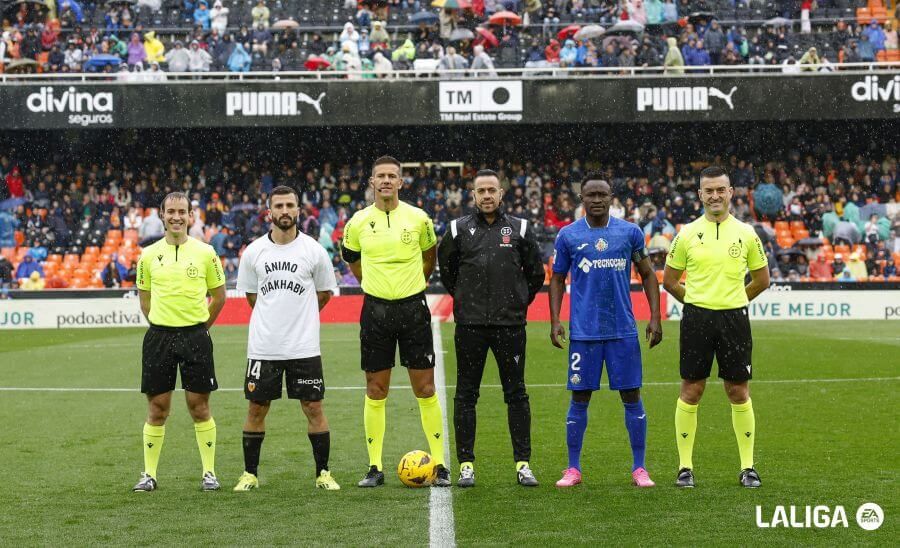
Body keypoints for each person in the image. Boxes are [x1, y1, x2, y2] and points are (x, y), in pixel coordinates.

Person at [340, 156, 450, 488]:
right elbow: (352, 259)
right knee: (376, 389)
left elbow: (429, 257)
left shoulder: (418, 218)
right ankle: (374, 467)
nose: (386, 181)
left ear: (401, 182)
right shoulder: (357, 222)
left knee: (426, 388)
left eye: (392, 176)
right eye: (380, 176)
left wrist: (414, 283)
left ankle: (441, 464)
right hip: (375, 312)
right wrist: (372, 285)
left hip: (413, 309)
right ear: (372, 183)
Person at [549, 174, 663, 488]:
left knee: (631, 395)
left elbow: (648, 275)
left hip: (622, 331)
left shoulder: (630, 233)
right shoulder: (568, 236)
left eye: (602, 194)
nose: (597, 200)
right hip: (583, 333)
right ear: (581, 199)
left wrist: (655, 317)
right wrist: (555, 320)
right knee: (580, 397)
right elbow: (557, 279)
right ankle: (573, 468)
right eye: (591, 195)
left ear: (611, 196)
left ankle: (639, 468)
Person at [662, 166, 770, 489]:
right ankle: (685, 468)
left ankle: (748, 467)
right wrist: (695, 301)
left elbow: (762, 280)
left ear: (731, 192)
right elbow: (668, 281)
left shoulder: (747, 233)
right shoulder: (686, 234)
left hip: (734, 319)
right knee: (691, 390)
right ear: (700, 195)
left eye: (720, 190)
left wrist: (735, 298)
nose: (715, 195)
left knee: (738, 391)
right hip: (697, 318)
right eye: (708, 190)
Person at [437, 170, 545, 488]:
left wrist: (517, 301)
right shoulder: (458, 229)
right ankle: (466, 465)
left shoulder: (520, 228)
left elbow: (536, 273)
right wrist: (465, 300)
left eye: (491, 190)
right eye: (480, 191)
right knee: (466, 395)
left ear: (501, 194)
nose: (486, 196)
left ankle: (523, 464)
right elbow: (448, 271)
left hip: (510, 325)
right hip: (470, 326)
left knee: (516, 394)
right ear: (473, 195)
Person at [232, 186, 341, 491]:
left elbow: (324, 294)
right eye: (278, 205)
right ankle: (250, 474)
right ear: (269, 212)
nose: (284, 210)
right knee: (256, 408)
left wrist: (300, 318)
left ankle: (323, 473)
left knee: (314, 408)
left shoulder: (314, 251)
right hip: (264, 347)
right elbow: (253, 297)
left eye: (289, 205)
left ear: (298, 210)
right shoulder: (254, 252)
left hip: (303, 347)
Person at [132, 192, 227, 492]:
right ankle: (149, 475)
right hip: (158, 338)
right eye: (170, 211)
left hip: (195, 336)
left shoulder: (206, 252)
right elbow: (144, 302)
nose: (176, 216)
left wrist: (200, 327)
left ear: (190, 216)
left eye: (182, 211)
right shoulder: (147, 256)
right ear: (161, 214)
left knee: (199, 406)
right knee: (158, 408)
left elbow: (220, 296)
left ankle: (209, 473)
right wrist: (163, 324)